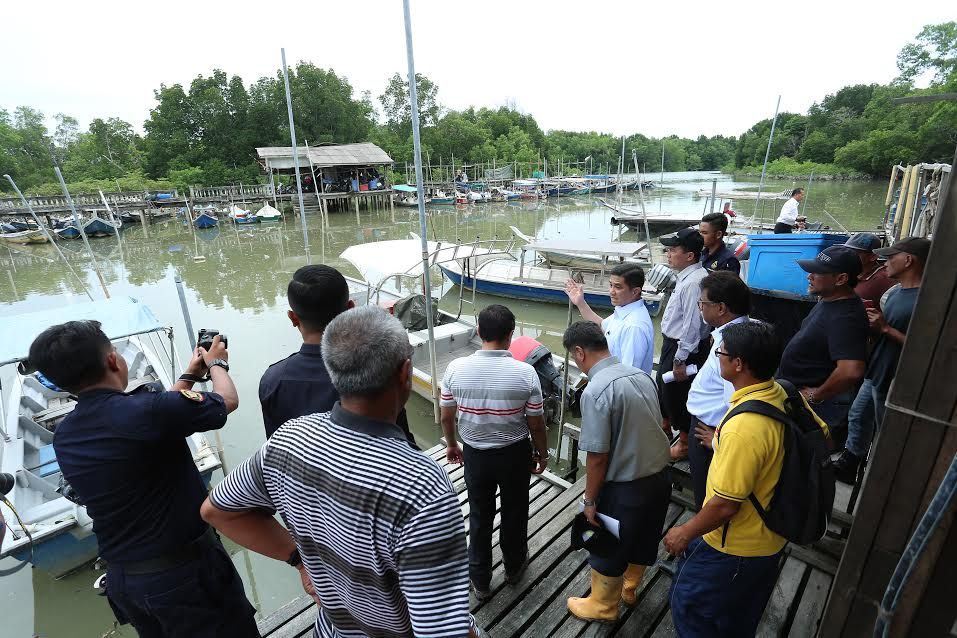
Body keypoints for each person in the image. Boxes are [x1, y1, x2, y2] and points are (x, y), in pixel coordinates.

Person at [203, 306, 480, 638]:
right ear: (405, 373)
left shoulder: (289, 438)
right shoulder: (421, 487)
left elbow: (216, 511)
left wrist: (298, 559)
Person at [28, 321, 257, 637]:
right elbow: (226, 401)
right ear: (112, 360)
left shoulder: (66, 434)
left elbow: (155, 418)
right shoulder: (148, 411)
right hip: (184, 580)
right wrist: (217, 363)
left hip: (128, 584)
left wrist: (191, 373)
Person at [664, 322, 828, 637]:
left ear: (738, 364)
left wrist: (684, 532)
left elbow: (725, 506)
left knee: (690, 607)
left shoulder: (745, 428)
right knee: (739, 617)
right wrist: (724, 444)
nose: (717, 357)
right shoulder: (782, 391)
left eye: (720, 353)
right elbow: (822, 438)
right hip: (769, 541)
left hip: (734, 548)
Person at [562, 322, 671, 622]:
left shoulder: (596, 390)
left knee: (609, 542)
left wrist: (589, 501)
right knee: (645, 535)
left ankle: (603, 605)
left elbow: (597, 456)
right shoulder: (641, 375)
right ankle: (630, 588)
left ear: (579, 353)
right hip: (660, 478)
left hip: (626, 486)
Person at [440, 304, 548, 600]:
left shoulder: (455, 369)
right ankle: (514, 568)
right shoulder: (525, 373)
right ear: (511, 334)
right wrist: (543, 454)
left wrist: (451, 444)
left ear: (478, 332)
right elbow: (536, 424)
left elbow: (447, 416)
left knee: (479, 515)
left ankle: (481, 580)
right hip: (514, 454)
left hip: (475, 454)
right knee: (515, 512)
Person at [259, 264, 418, 446]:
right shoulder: (374, 367)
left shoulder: (273, 380)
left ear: (293, 318)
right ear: (350, 308)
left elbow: (274, 443)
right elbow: (402, 439)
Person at [832, 237, 930, 482]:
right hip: (877, 370)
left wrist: (885, 329)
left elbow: (929, 349)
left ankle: (882, 480)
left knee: (887, 434)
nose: (885, 262)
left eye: (891, 256)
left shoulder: (926, 300)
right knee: (857, 416)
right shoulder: (896, 293)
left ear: (908, 260)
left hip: (896, 379)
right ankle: (850, 463)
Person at [777, 245, 867, 428]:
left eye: (817, 272)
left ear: (841, 279)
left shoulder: (846, 317)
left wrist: (816, 395)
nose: (809, 276)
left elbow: (851, 370)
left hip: (817, 405)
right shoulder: (829, 299)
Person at [685, 271, 751, 509]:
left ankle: (703, 540)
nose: (700, 308)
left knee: (706, 493)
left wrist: (718, 439)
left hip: (709, 430)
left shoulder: (730, 345)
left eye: (703, 303)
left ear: (721, 308)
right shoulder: (741, 331)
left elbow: (735, 397)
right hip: (709, 427)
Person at [657, 227, 710, 459]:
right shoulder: (687, 277)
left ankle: (686, 443)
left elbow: (692, 325)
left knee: (678, 392)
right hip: (674, 343)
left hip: (683, 347)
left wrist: (680, 358)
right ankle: (666, 428)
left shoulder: (692, 283)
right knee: (664, 386)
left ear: (690, 256)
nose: (668, 253)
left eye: (673, 250)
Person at [564, 263, 655, 373]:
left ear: (635, 291)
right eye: (611, 285)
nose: (611, 291)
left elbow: (628, 374)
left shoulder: (634, 327)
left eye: (618, 287)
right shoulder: (624, 311)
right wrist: (580, 303)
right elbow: (601, 326)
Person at [843, 232, 893, 307]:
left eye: (854, 253)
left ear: (873, 256)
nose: (848, 256)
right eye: (847, 251)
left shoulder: (883, 279)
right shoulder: (850, 271)